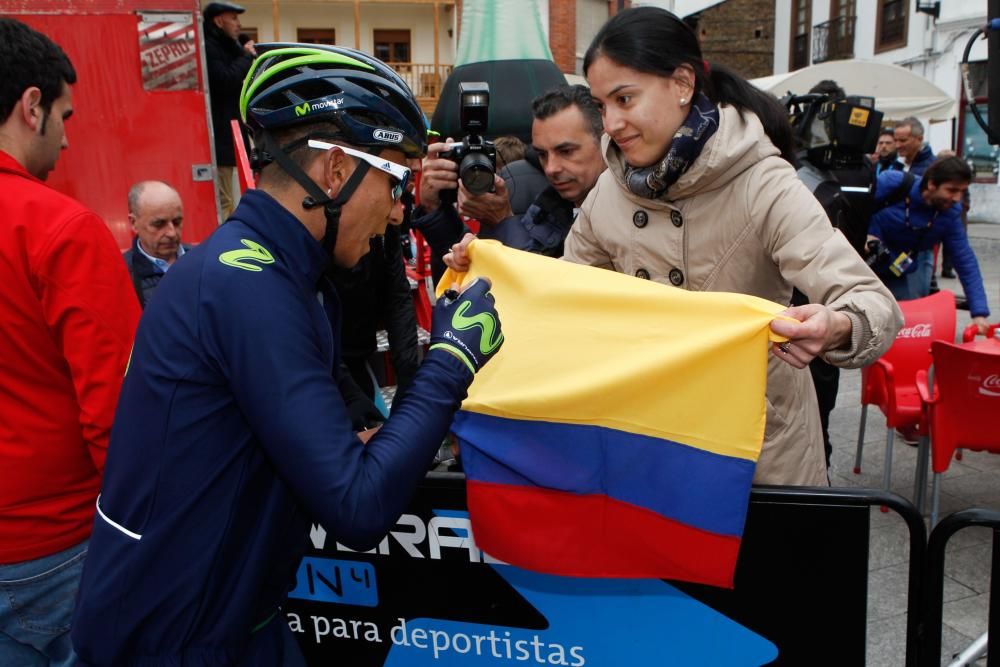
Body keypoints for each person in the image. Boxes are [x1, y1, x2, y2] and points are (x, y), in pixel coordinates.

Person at [71, 44, 504, 665]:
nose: (397, 208)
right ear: (334, 171)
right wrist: (453, 360)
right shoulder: (251, 287)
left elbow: (329, 444)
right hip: (178, 635)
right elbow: (357, 507)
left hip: (233, 614)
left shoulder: (275, 271)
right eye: (394, 179)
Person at [448, 7, 902, 486]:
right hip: (650, 436)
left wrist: (837, 325)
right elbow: (564, 299)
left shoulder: (761, 183)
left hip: (758, 448)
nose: (613, 123)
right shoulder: (610, 192)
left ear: (682, 83)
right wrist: (487, 272)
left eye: (625, 98)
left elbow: (874, 305)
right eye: (603, 106)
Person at [0, 18, 141, 666]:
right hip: (51, 552)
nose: (67, 135)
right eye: (64, 114)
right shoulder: (60, 228)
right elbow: (119, 414)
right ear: (32, 106)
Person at [417, 84, 605, 268]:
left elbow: (546, 288)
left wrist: (504, 221)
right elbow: (489, 279)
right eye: (542, 154)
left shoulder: (626, 211)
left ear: (604, 139)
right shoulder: (547, 205)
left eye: (566, 151)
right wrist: (434, 208)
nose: (551, 168)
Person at [868, 156, 990, 332]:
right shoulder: (894, 183)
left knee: (903, 323)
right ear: (932, 184)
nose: (957, 198)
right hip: (861, 261)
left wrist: (979, 313)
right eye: (952, 190)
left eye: (962, 191)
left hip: (898, 269)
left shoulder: (950, 214)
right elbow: (852, 208)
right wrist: (867, 236)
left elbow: (965, 260)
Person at [204, 1, 256, 220]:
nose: (238, 24)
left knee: (235, 198)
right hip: (221, 141)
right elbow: (224, 81)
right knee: (225, 200)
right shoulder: (211, 47)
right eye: (233, 18)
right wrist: (245, 57)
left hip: (232, 138)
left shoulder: (230, 47)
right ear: (218, 21)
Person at [123, 180, 191, 307]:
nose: (171, 233)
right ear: (133, 223)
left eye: (177, 222)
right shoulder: (121, 276)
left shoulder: (204, 260)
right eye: (159, 224)